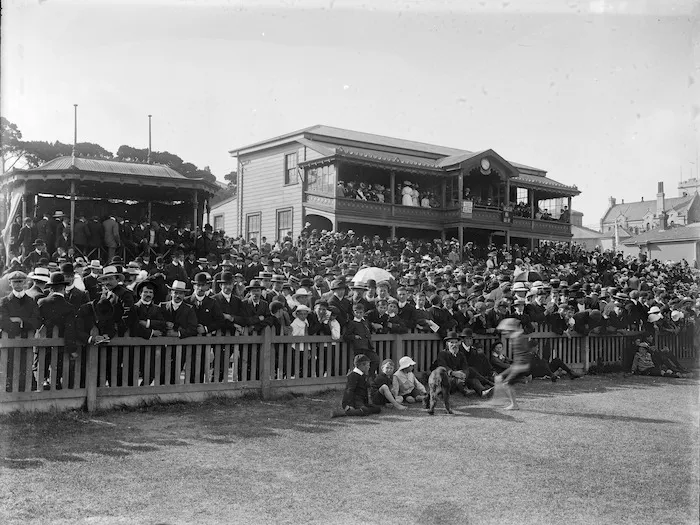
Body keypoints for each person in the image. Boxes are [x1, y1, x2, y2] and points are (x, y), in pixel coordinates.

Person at [491, 318, 530, 410]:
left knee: (507, 384)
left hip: (520, 366)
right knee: (498, 378)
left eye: (506, 330)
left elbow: (523, 356)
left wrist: (517, 369)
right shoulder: (516, 337)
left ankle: (514, 404)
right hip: (518, 365)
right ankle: (497, 400)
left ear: (511, 329)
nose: (504, 332)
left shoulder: (518, 339)